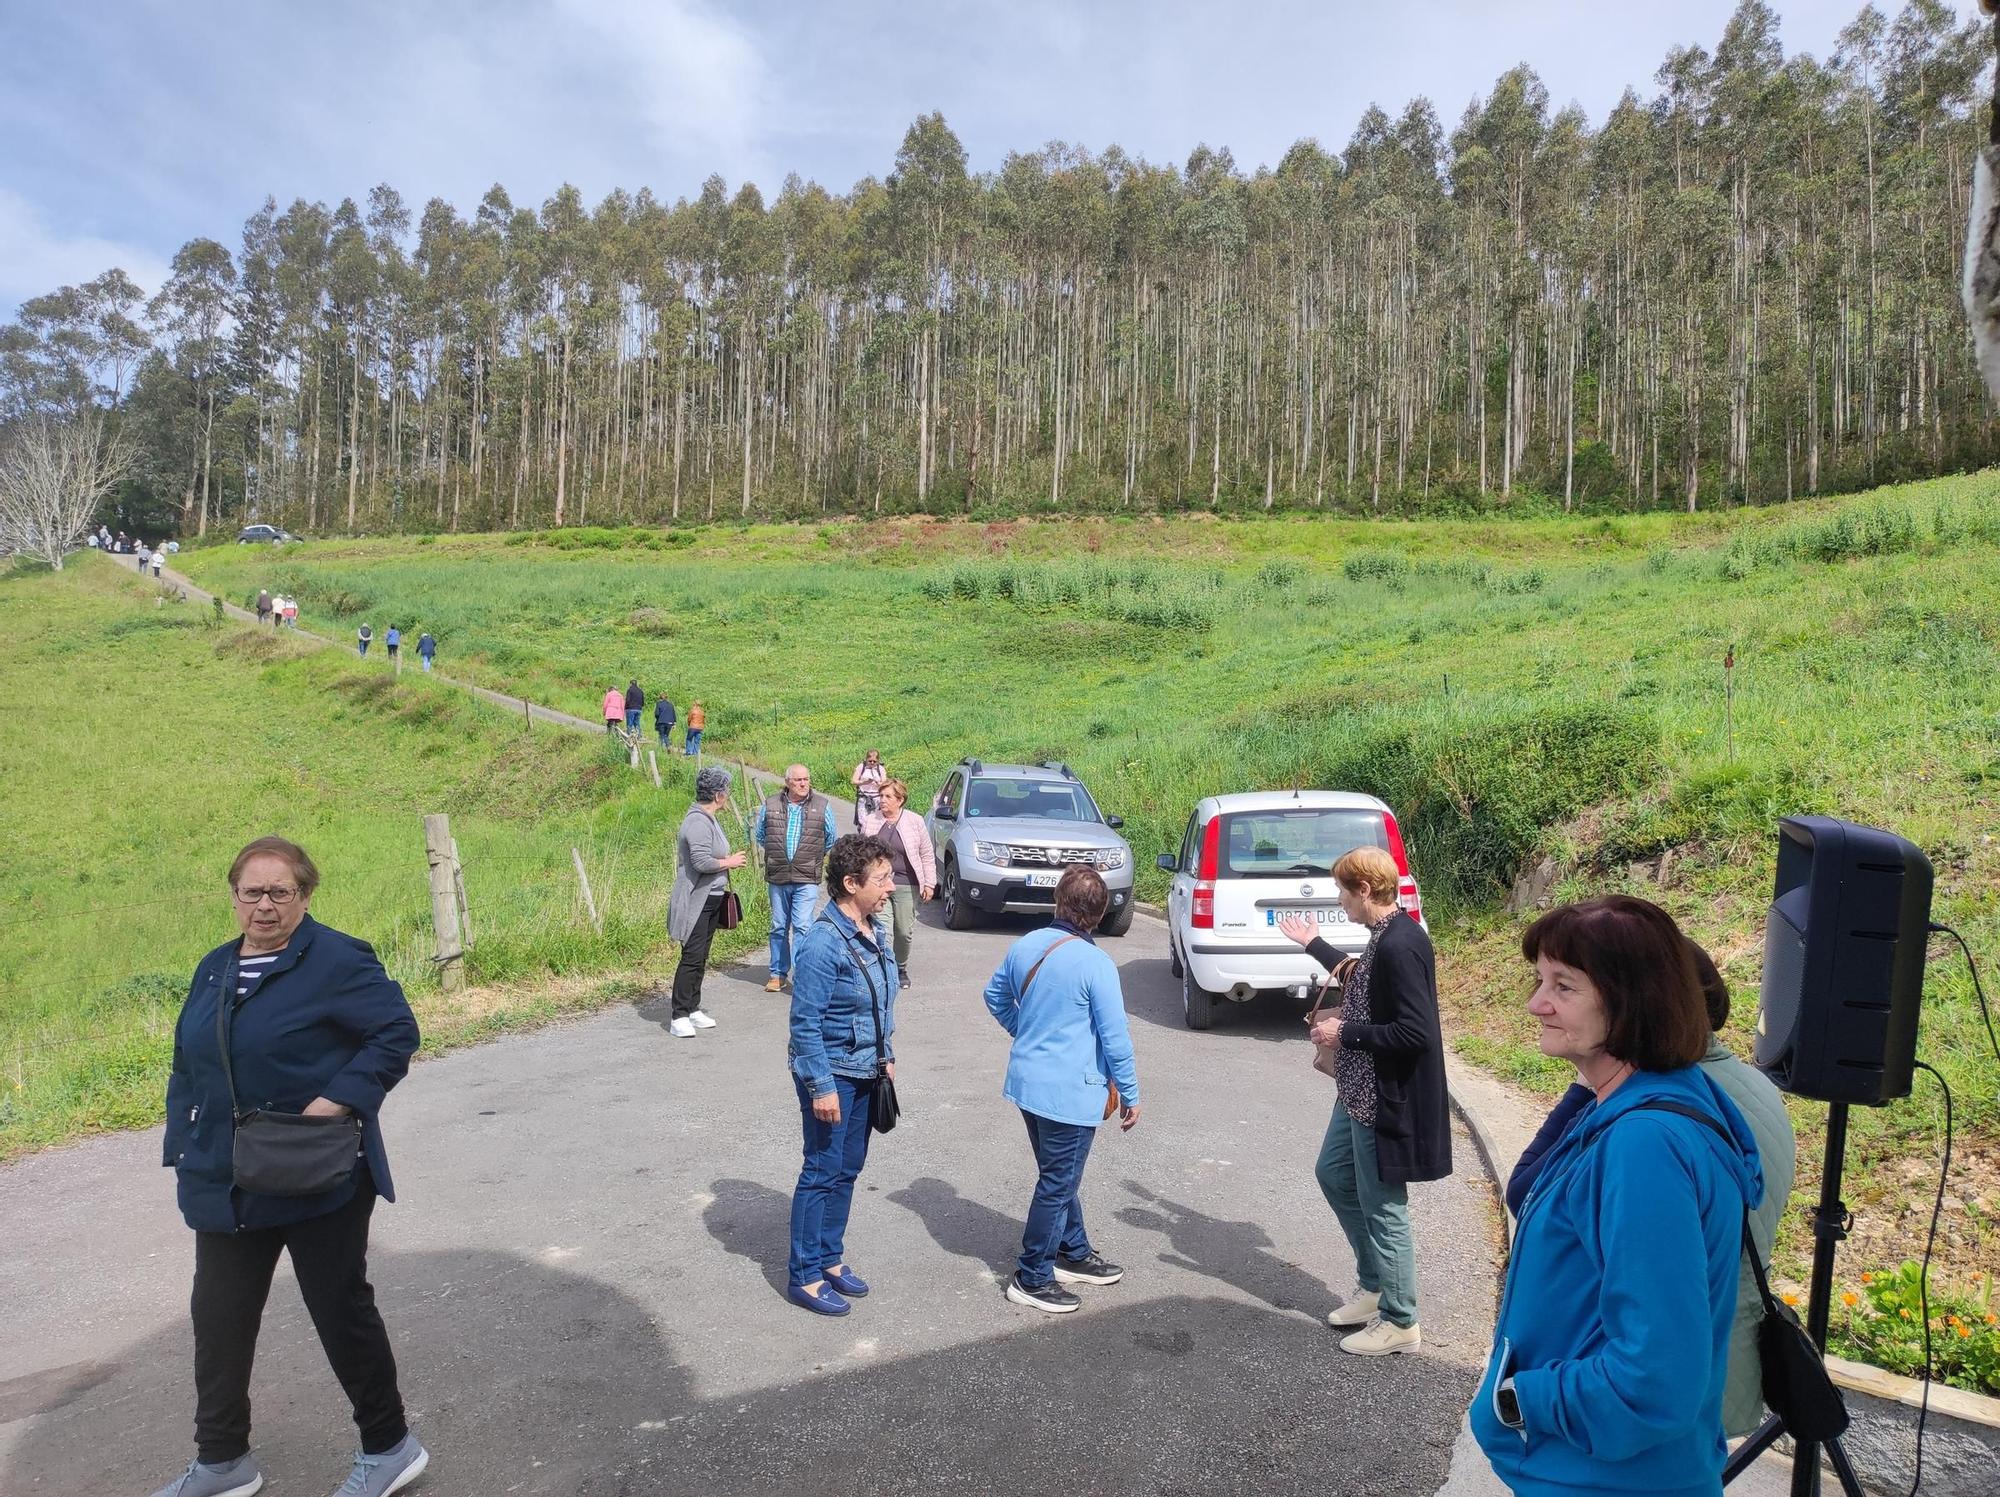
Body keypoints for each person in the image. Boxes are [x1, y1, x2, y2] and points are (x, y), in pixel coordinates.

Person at [149, 836, 428, 1497]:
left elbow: (396, 1031)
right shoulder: (215, 966)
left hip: (314, 1171)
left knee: (339, 1309)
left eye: (281, 891)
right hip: (226, 1175)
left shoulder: (336, 959)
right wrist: (181, 1141)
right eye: (252, 891)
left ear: (305, 895)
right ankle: (223, 1462)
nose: (265, 905)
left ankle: (390, 1447)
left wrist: (336, 1102)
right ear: (234, 895)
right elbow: (187, 1058)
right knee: (218, 1318)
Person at [1470, 895, 1763, 1496]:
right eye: (1539, 980)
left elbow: (1655, 1378)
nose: (1536, 1004)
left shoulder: (1644, 1145)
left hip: (1604, 1479)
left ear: (1629, 1001)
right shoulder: (1645, 1101)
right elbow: (1530, 1190)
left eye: (1564, 987)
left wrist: (1522, 1397)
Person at [1505, 940, 1796, 1439]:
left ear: (1645, 1003)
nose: (1540, 1004)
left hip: (1660, 1369)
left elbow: (1527, 1190)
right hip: (1727, 1340)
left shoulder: (1652, 1123)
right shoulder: (1749, 1084)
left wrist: (1521, 1398)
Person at [1278, 844, 1451, 1356]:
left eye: (1342, 890)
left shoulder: (1400, 943)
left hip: (1383, 1097)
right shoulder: (1384, 937)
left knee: (1384, 1207)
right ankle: (1374, 1285)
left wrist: (1343, 1031)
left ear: (1365, 890)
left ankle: (1401, 1320)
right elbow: (1362, 978)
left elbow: (1416, 1031)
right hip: (1356, 1091)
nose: (1339, 899)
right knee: (1333, 1174)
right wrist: (1315, 944)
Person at [983, 866, 1142, 1314]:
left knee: (1059, 1174)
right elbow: (1115, 1038)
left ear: (1058, 900)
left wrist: (1024, 1031)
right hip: (1069, 1093)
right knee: (1058, 1181)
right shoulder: (1096, 964)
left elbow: (994, 996)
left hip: (1028, 1085)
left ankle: (1073, 1252)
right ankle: (1032, 1275)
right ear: (1099, 913)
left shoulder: (1026, 945)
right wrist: (1130, 1094)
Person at [785, 833, 900, 1317]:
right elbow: (804, 1023)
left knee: (847, 1170)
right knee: (821, 1171)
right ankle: (805, 1275)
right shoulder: (822, 943)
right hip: (831, 1074)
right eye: (882, 879)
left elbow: (880, 1002)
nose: (890, 887)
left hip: (866, 1071)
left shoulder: (875, 931)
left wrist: (886, 1054)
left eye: (890, 876)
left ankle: (830, 1258)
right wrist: (821, 1087)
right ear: (851, 884)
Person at [665, 766, 747, 1039]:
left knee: (701, 956)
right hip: (696, 900)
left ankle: (693, 1007)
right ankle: (678, 1015)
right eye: (727, 790)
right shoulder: (698, 821)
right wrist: (730, 862)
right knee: (692, 956)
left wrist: (726, 860)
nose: (729, 794)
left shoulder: (708, 818)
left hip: (711, 899)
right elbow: (701, 862)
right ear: (718, 795)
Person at [754, 765, 838, 994]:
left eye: (806, 779)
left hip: (806, 877)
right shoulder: (771, 804)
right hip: (778, 874)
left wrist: (811, 856)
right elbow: (760, 834)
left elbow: (830, 837)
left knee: (802, 924)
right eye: (798, 780)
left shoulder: (821, 805)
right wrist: (777, 854)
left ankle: (802, 974)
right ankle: (777, 974)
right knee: (779, 925)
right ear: (788, 782)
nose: (803, 784)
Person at [857, 778, 935, 988]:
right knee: (883, 929)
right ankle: (884, 968)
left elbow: (927, 854)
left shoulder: (915, 821)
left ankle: (900, 966)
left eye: (888, 796)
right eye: (881, 796)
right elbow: (861, 854)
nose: (882, 800)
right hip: (878, 885)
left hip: (906, 884)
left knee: (903, 931)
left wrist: (929, 884)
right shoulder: (871, 821)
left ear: (900, 800)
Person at [850, 751, 887, 821]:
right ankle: (862, 831)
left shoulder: (881, 769)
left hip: (876, 798)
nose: (872, 763)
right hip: (863, 797)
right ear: (866, 759)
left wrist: (879, 783)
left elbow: (885, 783)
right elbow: (853, 781)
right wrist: (864, 782)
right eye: (870, 761)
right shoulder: (861, 767)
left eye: (874, 761)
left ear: (878, 761)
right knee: (862, 820)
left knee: (875, 820)